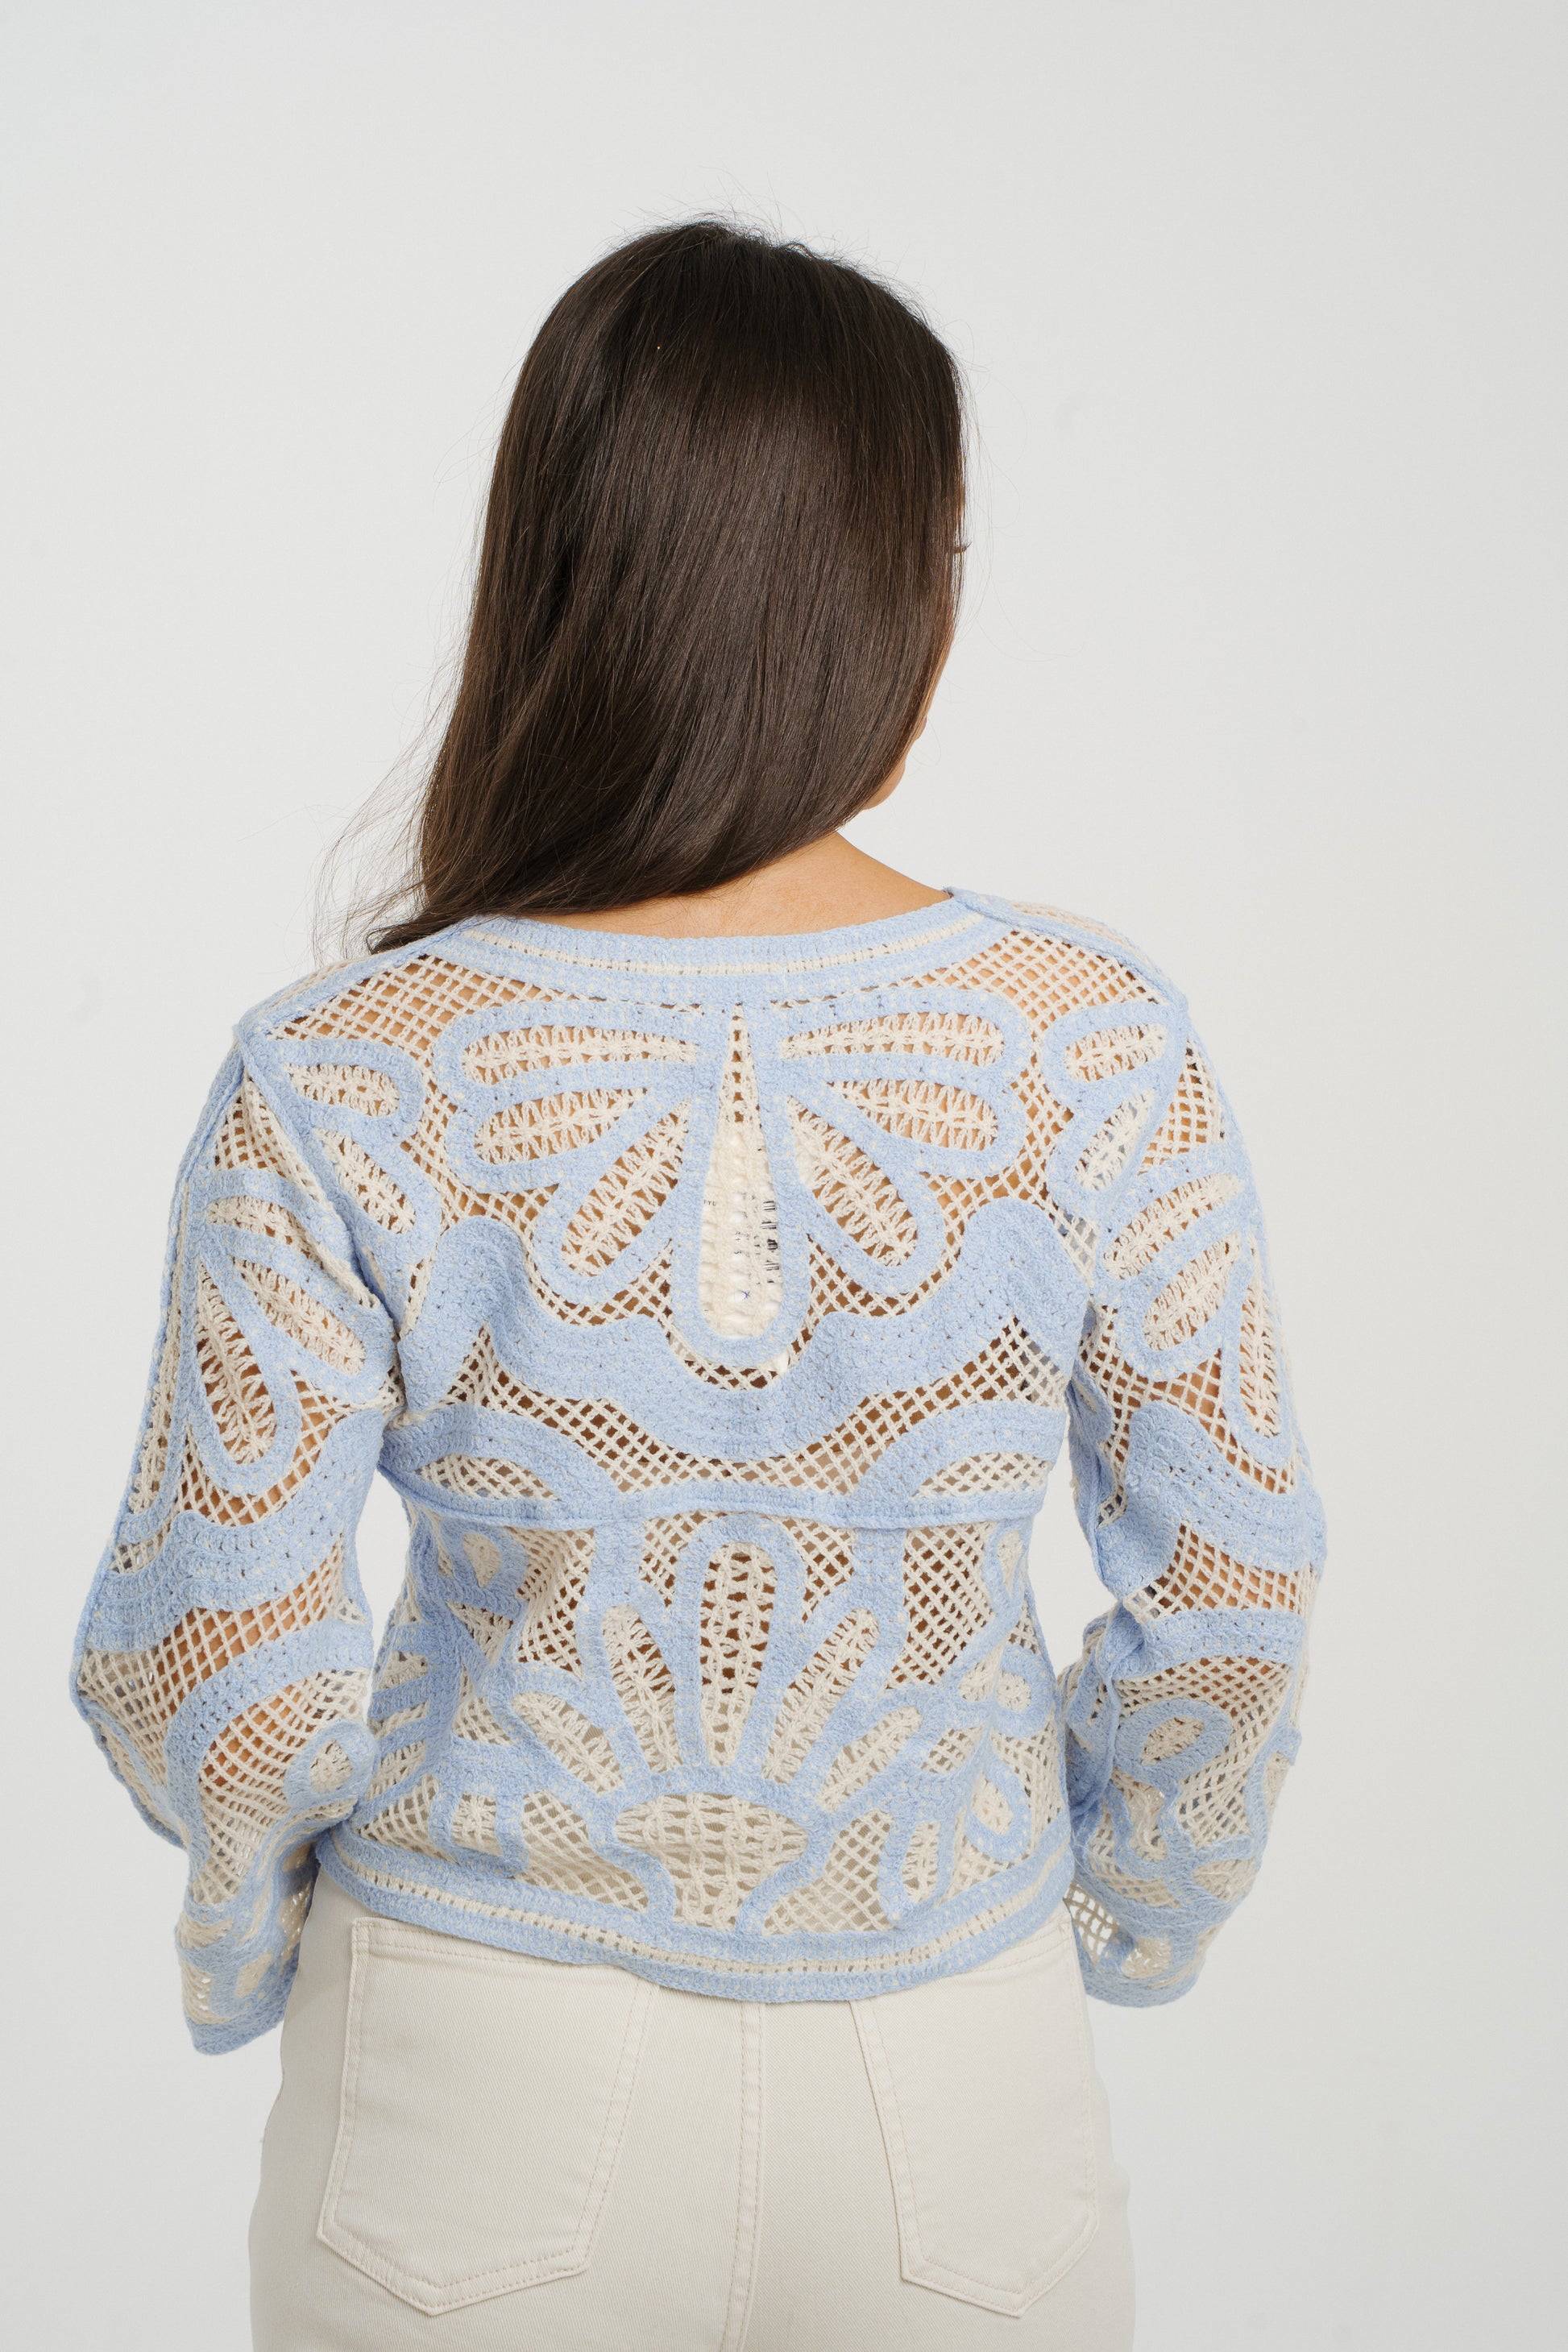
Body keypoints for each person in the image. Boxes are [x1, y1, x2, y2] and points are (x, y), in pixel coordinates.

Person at [71, 219, 1325, 2351]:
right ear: (893, 593)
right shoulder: (1087, 1038)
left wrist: (262, 1935)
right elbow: (1233, 1593)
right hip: (953, 2059)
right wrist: (1131, 1904)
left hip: (473, 2053)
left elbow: (223, 1656)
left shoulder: (346, 1063)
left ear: (558, 568)